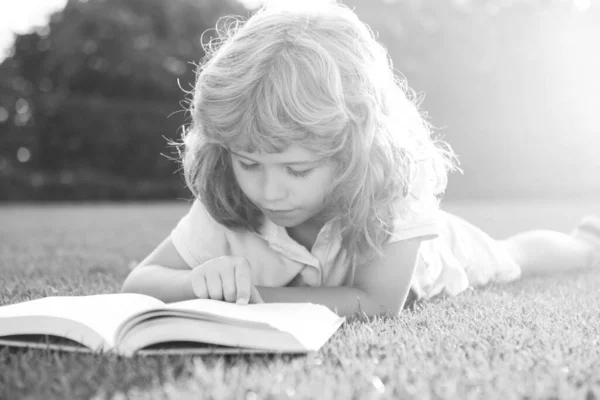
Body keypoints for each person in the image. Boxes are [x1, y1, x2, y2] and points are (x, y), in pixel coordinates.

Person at [121, 0, 600, 317]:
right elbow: (140, 281)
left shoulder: (394, 190)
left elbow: (375, 303)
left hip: (442, 254)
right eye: (249, 163)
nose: (268, 192)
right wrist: (198, 284)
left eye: (298, 169)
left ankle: (587, 241)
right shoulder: (230, 195)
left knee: (511, 255)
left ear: (354, 145)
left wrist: (247, 299)